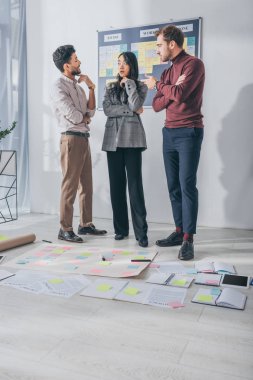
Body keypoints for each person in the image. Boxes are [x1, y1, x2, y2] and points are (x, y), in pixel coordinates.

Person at [144, 25, 205, 260]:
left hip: (189, 131)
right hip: (169, 133)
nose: (157, 50)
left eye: (159, 45)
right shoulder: (169, 72)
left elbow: (178, 95)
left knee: (187, 185)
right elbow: (158, 105)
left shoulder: (193, 64)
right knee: (173, 186)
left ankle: (189, 239)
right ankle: (179, 231)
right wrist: (171, 88)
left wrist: (160, 86)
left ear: (172, 44)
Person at [51, 45, 107, 242]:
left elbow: (90, 112)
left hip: (83, 138)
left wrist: (91, 87)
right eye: (76, 59)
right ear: (67, 65)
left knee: (86, 185)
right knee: (70, 185)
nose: (79, 62)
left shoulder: (79, 86)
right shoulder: (58, 86)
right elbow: (75, 116)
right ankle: (64, 228)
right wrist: (84, 117)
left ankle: (85, 224)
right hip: (71, 139)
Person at [102, 52, 148, 247]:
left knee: (135, 187)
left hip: (133, 141)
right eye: (118, 63)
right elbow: (106, 110)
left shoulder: (140, 86)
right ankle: (120, 230)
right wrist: (130, 111)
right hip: (112, 141)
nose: (120, 66)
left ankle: (141, 233)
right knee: (116, 187)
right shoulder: (110, 87)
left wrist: (129, 84)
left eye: (125, 63)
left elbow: (137, 104)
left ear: (132, 65)